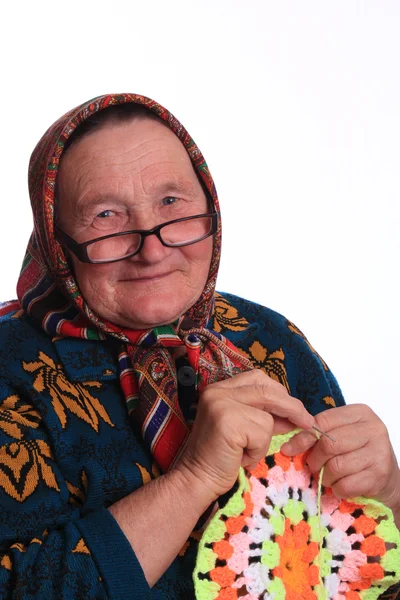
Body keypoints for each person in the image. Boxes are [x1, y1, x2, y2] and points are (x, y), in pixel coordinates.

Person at [0, 93, 398, 600]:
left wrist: (391, 498)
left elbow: (352, 578)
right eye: (106, 215)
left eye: (171, 203)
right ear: (56, 240)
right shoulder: (9, 367)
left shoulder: (271, 339)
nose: (152, 247)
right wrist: (195, 477)